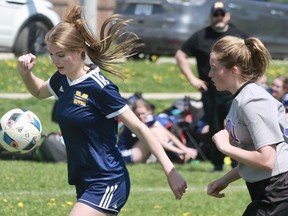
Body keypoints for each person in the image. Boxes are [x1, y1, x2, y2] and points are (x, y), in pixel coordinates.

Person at [17, 5, 187, 216]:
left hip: (108, 180)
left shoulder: (99, 86)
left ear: (79, 51)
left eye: (60, 54)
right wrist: (26, 74)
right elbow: (40, 91)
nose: (54, 60)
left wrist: (171, 171)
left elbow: (141, 128)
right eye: (51, 54)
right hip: (84, 180)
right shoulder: (63, 79)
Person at [206, 35, 288, 215]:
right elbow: (253, 153)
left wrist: (225, 147)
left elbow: (267, 160)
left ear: (233, 70)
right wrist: (225, 179)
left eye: (214, 68)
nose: (209, 74)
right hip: (269, 188)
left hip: (279, 190)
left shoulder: (253, 102)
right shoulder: (241, 99)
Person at [175, 1, 248, 171]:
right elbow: (180, 55)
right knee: (215, 126)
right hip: (210, 91)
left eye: (222, 14)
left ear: (228, 15)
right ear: (211, 16)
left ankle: (239, 162)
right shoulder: (201, 36)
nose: (219, 17)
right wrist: (192, 79)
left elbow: (251, 56)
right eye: (216, 14)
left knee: (234, 126)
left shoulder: (238, 35)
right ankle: (217, 164)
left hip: (233, 91)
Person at [118, 98, 198, 164]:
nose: (141, 116)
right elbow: (152, 139)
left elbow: (168, 133)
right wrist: (178, 150)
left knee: (158, 130)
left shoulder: (150, 119)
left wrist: (184, 148)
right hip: (126, 155)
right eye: (138, 114)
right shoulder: (132, 123)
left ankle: (180, 154)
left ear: (149, 111)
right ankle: (177, 155)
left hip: (140, 151)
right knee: (152, 133)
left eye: (143, 113)